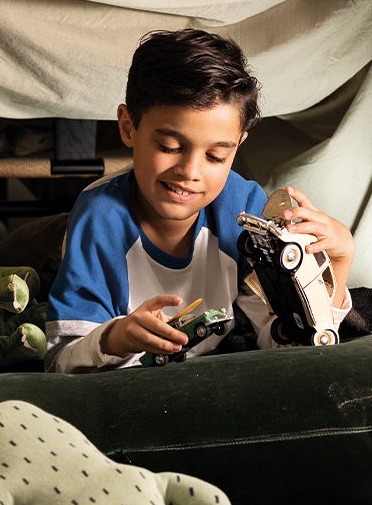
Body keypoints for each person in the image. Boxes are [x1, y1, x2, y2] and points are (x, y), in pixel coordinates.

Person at [44, 28, 355, 373]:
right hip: (57, 236)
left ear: (238, 146)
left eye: (216, 156)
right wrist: (115, 338)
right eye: (170, 147)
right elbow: (60, 361)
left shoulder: (244, 208)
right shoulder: (100, 219)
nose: (190, 171)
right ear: (128, 127)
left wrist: (338, 265)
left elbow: (284, 343)